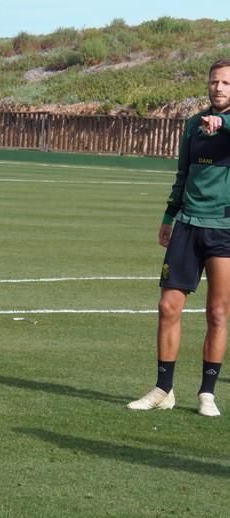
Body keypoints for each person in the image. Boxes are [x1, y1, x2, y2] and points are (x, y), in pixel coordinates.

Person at [128, 58, 230, 416]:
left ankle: (207, 393)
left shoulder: (223, 123)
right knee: (167, 307)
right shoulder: (192, 125)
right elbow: (183, 174)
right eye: (215, 81)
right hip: (186, 225)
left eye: (227, 84)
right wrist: (169, 216)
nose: (219, 88)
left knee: (218, 313)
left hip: (224, 229)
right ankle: (163, 389)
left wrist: (223, 126)